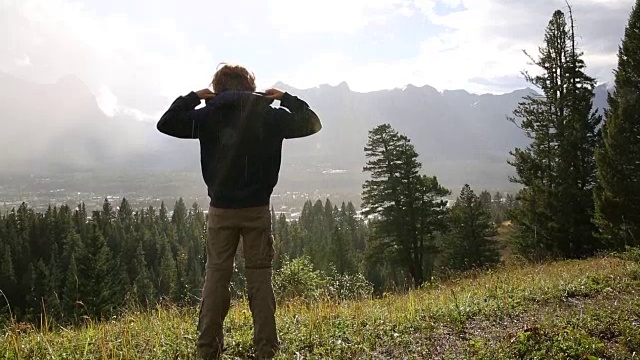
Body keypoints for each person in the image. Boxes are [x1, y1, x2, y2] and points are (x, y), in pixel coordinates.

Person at [156, 63, 322, 359]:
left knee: (216, 277)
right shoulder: (269, 116)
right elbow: (311, 122)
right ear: (251, 87)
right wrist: (284, 97)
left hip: (221, 210)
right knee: (260, 278)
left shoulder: (207, 116)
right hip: (257, 210)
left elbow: (166, 122)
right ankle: (265, 350)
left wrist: (194, 96)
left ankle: (208, 350)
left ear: (217, 89)